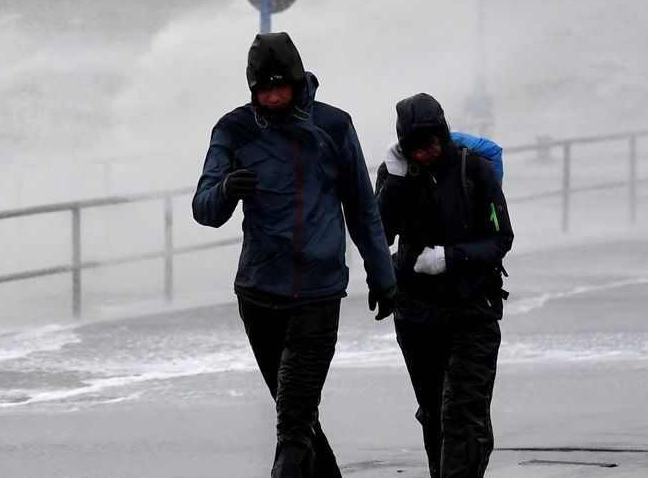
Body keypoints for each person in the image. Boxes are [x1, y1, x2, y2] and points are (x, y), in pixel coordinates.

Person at [192, 31, 398, 478]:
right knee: (300, 418)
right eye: (263, 89)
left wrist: (383, 276)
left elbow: (362, 209)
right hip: (259, 293)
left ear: (299, 80)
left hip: (317, 294)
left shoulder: (334, 126)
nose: (272, 96)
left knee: (291, 429)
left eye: (280, 86)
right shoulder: (234, 129)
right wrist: (226, 190)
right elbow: (203, 209)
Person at [374, 93, 513, 478]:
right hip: (417, 314)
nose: (425, 155)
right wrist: (396, 181)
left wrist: (449, 257)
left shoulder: (475, 170)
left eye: (431, 145)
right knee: (434, 412)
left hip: (474, 310)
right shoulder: (397, 174)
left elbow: (500, 238)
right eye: (415, 148)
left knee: (462, 412)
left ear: (444, 135)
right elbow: (378, 234)